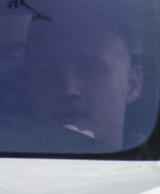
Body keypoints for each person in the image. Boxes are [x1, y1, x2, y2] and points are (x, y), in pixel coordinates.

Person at [16, 12, 145, 148]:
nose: (68, 89)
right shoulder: (0, 157)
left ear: (132, 85)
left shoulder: (159, 164)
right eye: (48, 72)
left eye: (90, 70)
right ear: (25, 83)